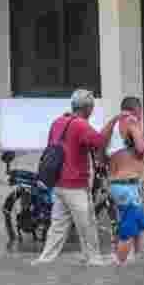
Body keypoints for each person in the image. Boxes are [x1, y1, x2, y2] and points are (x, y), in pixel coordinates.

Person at [32, 89, 109, 266]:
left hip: (57, 184)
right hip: (75, 186)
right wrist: (110, 125)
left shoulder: (57, 122)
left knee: (57, 227)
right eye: (92, 108)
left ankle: (45, 260)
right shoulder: (80, 125)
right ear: (87, 108)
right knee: (87, 225)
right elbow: (98, 142)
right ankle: (94, 260)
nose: (92, 112)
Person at [99, 96, 144, 266]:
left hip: (117, 185)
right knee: (129, 231)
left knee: (143, 222)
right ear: (137, 110)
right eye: (141, 112)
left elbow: (100, 154)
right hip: (127, 186)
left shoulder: (111, 125)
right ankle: (117, 265)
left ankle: (137, 263)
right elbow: (141, 147)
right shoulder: (132, 121)